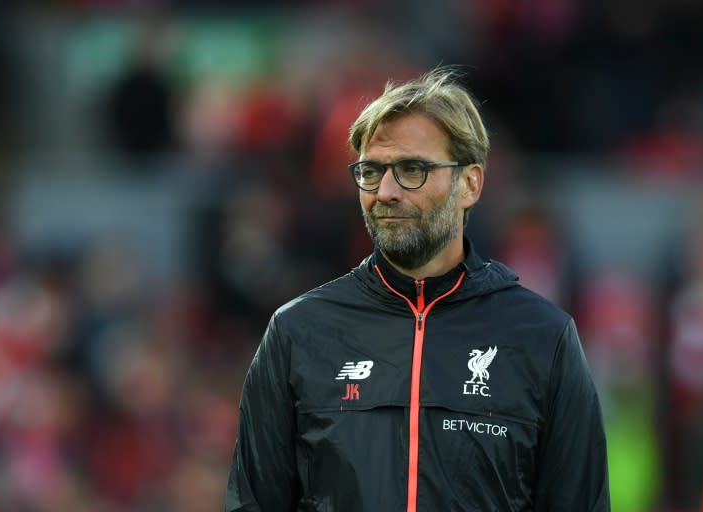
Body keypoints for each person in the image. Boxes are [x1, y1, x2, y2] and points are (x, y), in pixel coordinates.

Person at [224, 67, 610, 511]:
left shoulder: (543, 338)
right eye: (371, 171)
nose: (386, 191)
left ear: (469, 184)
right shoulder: (297, 332)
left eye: (412, 169)